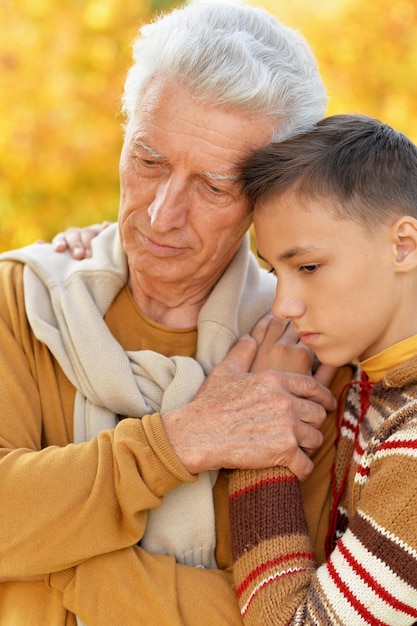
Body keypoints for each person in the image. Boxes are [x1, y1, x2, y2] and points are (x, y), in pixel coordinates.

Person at [0, 3, 345, 624]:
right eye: (149, 160)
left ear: (266, 201)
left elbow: (304, 614)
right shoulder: (19, 298)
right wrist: (183, 440)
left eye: (212, 187)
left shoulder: (310, 354)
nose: (161, 215)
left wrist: (49, 550)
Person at [229, 113, 417, 625]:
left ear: (404, 244)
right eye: (274, 270)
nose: (284, 305)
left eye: (308, 267)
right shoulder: (371, 377)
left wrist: (259, 436)